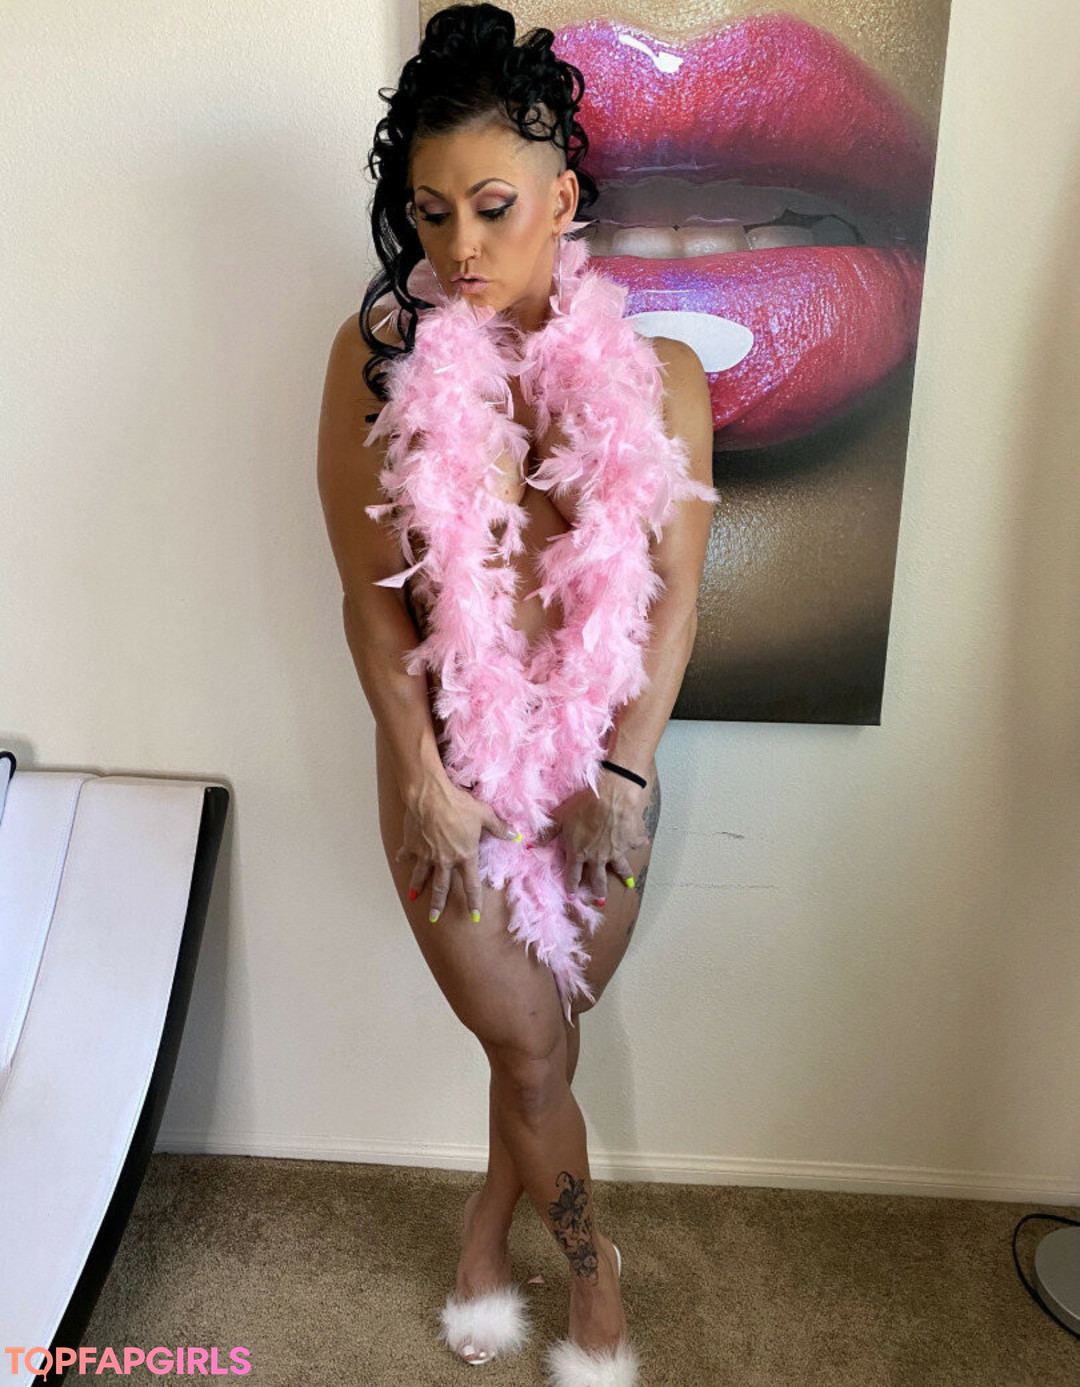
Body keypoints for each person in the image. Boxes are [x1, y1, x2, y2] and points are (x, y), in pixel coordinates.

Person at [317, 6, 715, 1383]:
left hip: (603, 775)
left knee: (545, 1044)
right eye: (430, 216)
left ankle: (487, 1229)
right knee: (534, 1052)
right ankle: (596, 1281)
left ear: (562, 197)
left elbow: (673, 604)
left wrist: (629, 773)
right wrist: (424, 778)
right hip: (455, 776)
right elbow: (370, 601)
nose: (458, 250)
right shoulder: (376, 358)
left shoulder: (666, 382)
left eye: (491, 208)